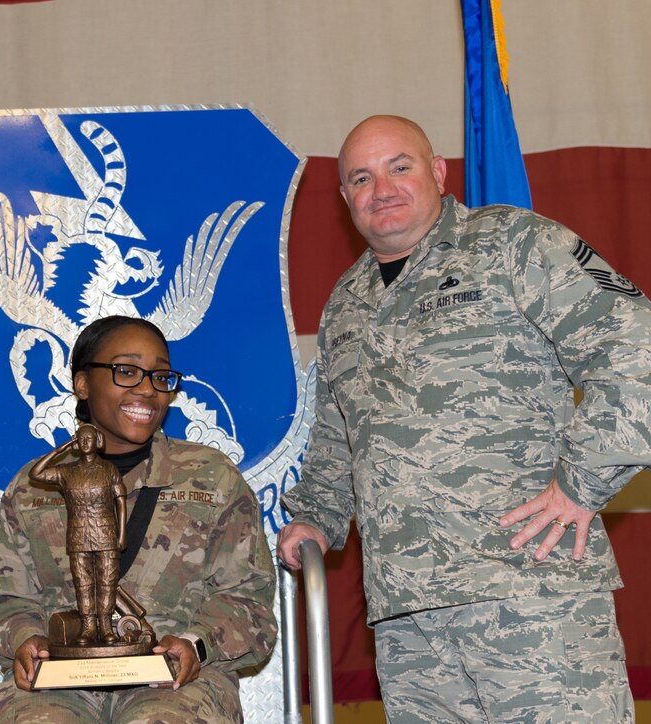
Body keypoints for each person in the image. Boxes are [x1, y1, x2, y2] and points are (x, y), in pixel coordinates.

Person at [277, 114, 648, 721]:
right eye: (362, 178)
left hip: (529, 595)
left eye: (401, 166)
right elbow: (339, 432)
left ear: (439, 172)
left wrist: (583, 484)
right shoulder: (347, 301)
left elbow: (637, 350)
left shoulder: (513, 244)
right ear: (345, 198)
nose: (383, 189)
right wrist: (316, 516)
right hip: (409, 621)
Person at [0, 315, 276, 723]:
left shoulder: (211, 477)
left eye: (160, 376)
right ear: (82, 384)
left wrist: (195, 644)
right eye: (126, 371)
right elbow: (6, 600)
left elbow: (247, 599)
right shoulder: (33, 488)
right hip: (57, 680)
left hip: (177, 683)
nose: (148, 390)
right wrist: (26, 640)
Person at [30, 423, 127, 645]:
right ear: (76, 442)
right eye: (80, 438)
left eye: (89, 438)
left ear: (97, 442)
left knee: (107, 583)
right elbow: (35, 473)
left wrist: (122, 535)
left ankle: (105, 626)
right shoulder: (67, 472)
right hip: (78, 537)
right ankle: (88, 627)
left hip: (106, 535)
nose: (85, 442)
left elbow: (120, 501)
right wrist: (60, 450)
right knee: (82, 584)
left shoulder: (108, 469)